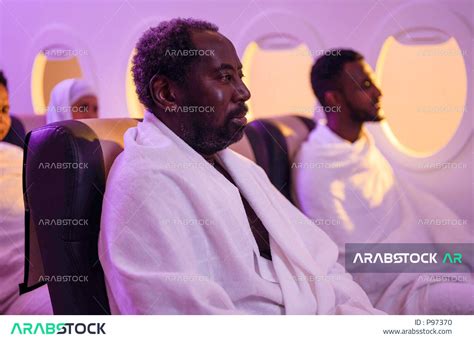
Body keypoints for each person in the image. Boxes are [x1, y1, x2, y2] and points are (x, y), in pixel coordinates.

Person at [98, 19, 381, 315]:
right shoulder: (143, 183)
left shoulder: (239, 168)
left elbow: (320, 260)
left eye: (240, 76)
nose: (243, 92)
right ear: (167, 93)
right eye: (224, 78)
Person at [292, 49, 473, 314]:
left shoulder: (360, 146)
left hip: (420, 269)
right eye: (365, 86)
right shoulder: (317, 169)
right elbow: (348, 261)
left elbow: (410, 204)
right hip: (391, 291)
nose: (378, 92)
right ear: (335, 98)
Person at [0, 70, 53, 314]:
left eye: (3, 110)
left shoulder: (18, 156)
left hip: (53, 271)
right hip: (13, 291)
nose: (1, 121)